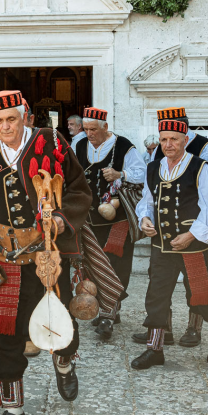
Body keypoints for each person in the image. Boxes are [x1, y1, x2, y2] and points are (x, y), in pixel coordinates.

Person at [0, 90, 91, 415]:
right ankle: (13, 411)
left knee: (60, 323)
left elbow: (79, 190)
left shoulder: (51, 143)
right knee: (5, 333)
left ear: (25, 115)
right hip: (5, 259)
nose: (5, 127)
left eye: (11, 119)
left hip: (47, 255)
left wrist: (60, 219)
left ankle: (63, 361)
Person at [132, 118, 208, 368]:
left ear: (185, 140)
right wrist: (146, 219)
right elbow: (147, 201)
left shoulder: (200, 167)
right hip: (161, 245)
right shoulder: (154, 167)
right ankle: (155, 349)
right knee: (156, 295)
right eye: (163, 139)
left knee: (200, 296)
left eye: (173, 139)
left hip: (192, 246)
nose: (168, 144)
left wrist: (191, 235)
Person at [74, 106, 146, 340]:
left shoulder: (124, 146)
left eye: (93, 129)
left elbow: (142, 172)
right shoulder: (80, 145)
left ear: (106, 127)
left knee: (116, 264)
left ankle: (107, 315)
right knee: (95, 265)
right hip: (90, 218)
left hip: (118, 218)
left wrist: (120, 174)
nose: (89, 134)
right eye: (85, 129)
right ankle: (109, 309)